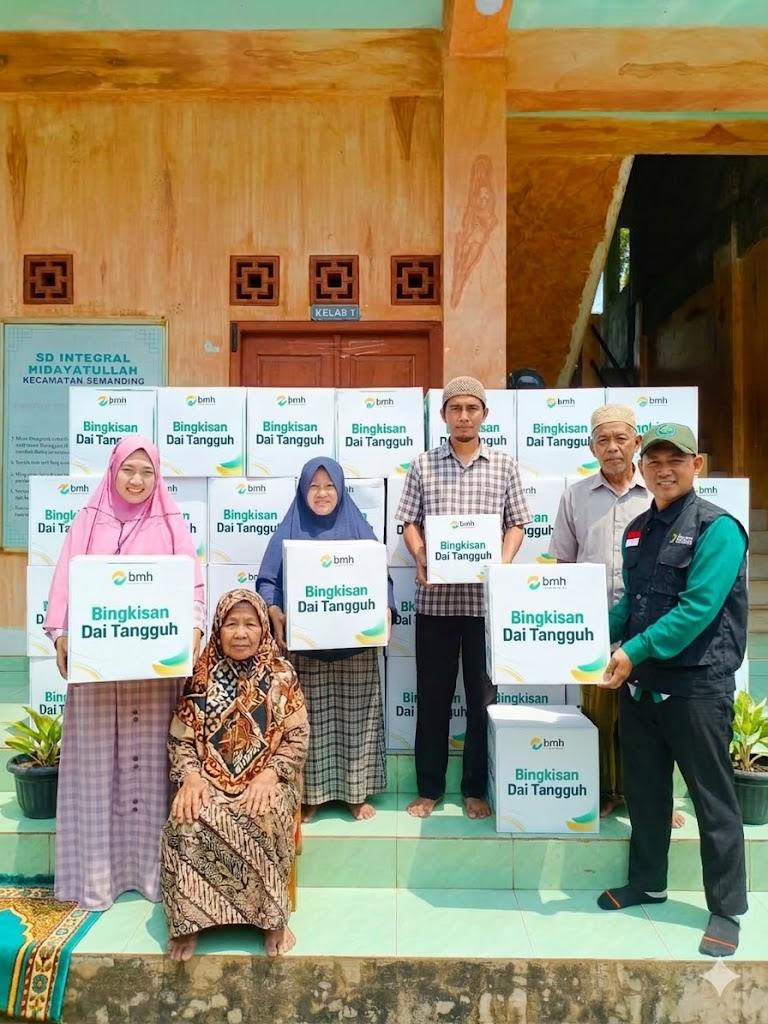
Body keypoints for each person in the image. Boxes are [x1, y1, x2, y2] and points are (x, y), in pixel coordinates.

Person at [597, 422, 748, 957]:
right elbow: (631, 604)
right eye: (655, 461)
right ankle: (648, 883)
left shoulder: (719, 529)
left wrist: (630, 650)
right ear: (642, 467)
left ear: (697, 464)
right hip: (641, 687)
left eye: (675, 460)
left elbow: (697, 610)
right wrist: (587, 636)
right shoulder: (637, 529)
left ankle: (727, 909)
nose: (664, 470)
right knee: (645, 791)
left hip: (697, 687)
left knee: (713, 801)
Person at [44, 435, 205, 910]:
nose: (137, 480)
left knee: (156, 766)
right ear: (112, 471)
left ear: (158, 477)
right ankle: (97, 879)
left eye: (147, 472)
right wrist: (61, 636)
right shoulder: (87, 521)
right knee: (98, 770)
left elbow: (193, 588)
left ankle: (156, 876)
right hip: (99, 674)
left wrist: (192, 632)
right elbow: (63, 585)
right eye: (128, 470)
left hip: (156, 676)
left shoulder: (171, 522)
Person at [396, 376, 531, 820]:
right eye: (456, 409)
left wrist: (503, 565)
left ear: (485, 415)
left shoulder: (505, 466)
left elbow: (517, 524)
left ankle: (475, 788)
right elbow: (409, 522)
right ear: (444, 416)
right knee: (432, 698)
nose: (465, 416)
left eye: (473, 408)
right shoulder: (423, 465)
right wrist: (419, 555)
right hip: (435, 604)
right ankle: (429, 788)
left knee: (481, 700)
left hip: (484, 608)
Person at [548, 403, 684, 829]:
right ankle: (605, 793)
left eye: (621, 438)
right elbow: (563, 566)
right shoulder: (575, 496)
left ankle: (658, 798)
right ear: (591, 446)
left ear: (637, 444)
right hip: (596, 626)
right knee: (600, 715)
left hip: (651, 624)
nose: (612, 448)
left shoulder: (659, 496)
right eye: (603, 440)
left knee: (652, 717)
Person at [161, 590, 308, 961]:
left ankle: (272, 919)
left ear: (263, 630)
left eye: (250, 624)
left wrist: (271, 776)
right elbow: (180, 741)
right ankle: (189, 922)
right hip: (208, 780)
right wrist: (191, 778)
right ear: (218, 629)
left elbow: (297, 736)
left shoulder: (281, 674)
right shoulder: (200, 676)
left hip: (269, 779)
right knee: (185, 821)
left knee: (265, 816)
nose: (240, 633)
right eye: (231, 624)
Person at [256, 457, 395, 823]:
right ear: (303, 491)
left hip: (355, 647)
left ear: (340, 490)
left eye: (329, 486)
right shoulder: (290, 528)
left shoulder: (358, 528)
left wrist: (387, 610)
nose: (321, 494)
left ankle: (356, 793)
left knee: (355, 720)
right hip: (306, 647)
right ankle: (309, 796)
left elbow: (382, 578)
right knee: (307, 722)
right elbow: (267, 581)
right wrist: (275, 613)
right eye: (314, 487)